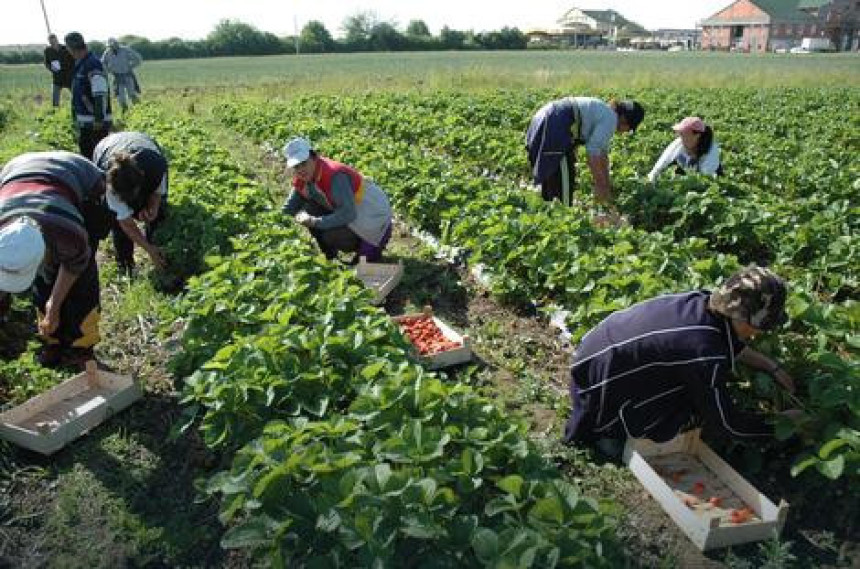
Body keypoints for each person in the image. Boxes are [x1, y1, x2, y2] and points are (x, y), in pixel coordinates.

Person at [563, 265, 798, 456]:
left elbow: (723, 342)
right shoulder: (704, 352)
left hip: (591, 362)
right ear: (746, 319)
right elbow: (727, 425)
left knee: (684, 379)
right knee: (693, 409)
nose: (759, 332)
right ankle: (611, 434)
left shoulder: (701, 303)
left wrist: (770, 366)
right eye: (760, 325)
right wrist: (780, 424)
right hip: (599, 395)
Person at [0, 151, 110, 369]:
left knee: (82, 281)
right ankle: (53, 341)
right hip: (17, 172)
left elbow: (73, 266)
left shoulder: (69, 232)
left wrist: (54, 305)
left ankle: (81, 347)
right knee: (44, 282)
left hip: (79, 176)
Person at [281, 137, 393, 263]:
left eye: (304, 163)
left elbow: (348, 214)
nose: (301, 170)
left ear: (314, 157)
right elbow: (289, 207)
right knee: (310, 208)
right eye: (296, 166)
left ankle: (366, 251)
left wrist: (315, 222)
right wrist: (276, 223)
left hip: (372, 217)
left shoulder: (335, 176)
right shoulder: (304, 177)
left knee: (359, 259)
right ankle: (330, 258)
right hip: (352, 213)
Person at [526, 97, 645, 212]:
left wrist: (606, 184)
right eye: (629, 128)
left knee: (552, 188)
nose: (626, 132)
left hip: (543, 120)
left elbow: (602, 155)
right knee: (563, 197)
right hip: (554, 126)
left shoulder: (605, 113)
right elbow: (593, 153)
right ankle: (561, 222)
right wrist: (601, 186)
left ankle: (549, 221)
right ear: (625, 119)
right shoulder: (611, 119)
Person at [92, 131, 168, 274]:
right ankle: (126, 266)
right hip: (105, 147)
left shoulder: (155, 166)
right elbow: (125, 223)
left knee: (159, 216)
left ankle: (161, 255)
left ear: (142, 181)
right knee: (117, 224)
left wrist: (153, 207)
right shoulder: (108, 182)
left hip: (143, 142)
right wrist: (148, 249)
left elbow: (157, 192)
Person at [64, 32, 113, 159]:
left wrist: (98, 118)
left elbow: (100, 93)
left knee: (97, 157)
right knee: (88, 155)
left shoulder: (92, 64)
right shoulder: (81, 64)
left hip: (95, 123)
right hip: (87, 122)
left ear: (70, 48)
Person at [648, 116, 723, 182]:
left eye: (683, 133)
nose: (680, 136)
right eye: (680, 133)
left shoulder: (710, 151)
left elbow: (706, 179)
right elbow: (662, 162)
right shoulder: (679, 142)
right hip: (687, 172)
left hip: (708, 177)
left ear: (697, 135)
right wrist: (651, 179)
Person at [101, 38, 142, 113]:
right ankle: (125, 113)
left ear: (117, 44)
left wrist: (131, 66)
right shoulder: (107, 52)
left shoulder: (125, 50)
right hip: (117, 77)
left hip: (128, 75)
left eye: (113, 45)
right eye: (110, 46)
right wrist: (108, 70)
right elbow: (103, 63)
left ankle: (140, 111)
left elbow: (138, 58)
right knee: (120, 97)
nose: (112, 47)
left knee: (132, 95)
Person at [43, 34, 74, 108]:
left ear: (57, 40)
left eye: (53, 41)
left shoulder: (65, 49)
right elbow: (46, 63)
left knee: (76, 96)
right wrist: (51, 68)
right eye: (51, 42)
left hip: (68, 77)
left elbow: (73, 60)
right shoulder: (48, 51)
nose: (52, 43)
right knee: (55, 100)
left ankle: (76, 109)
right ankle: (56, 113)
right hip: (57, 77)